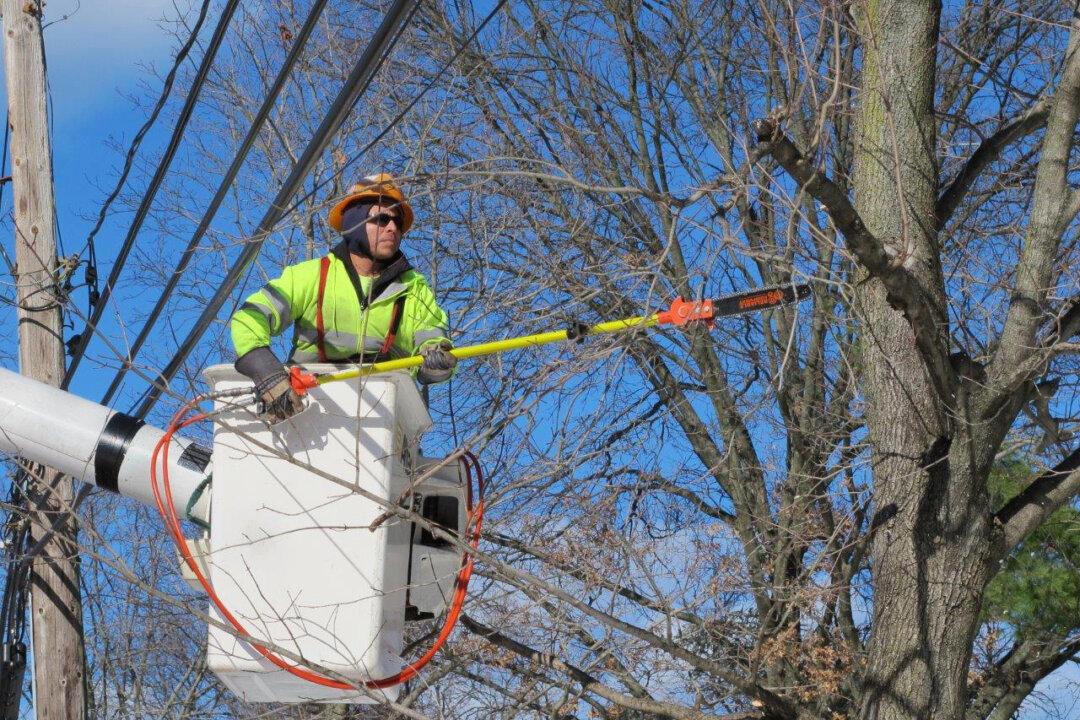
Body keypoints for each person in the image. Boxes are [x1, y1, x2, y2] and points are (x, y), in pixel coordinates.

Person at [230, 174, 456, 423]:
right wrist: (266, 371)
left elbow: (434, 342)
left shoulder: (413, 290)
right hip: (308, 413)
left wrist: (438, 361)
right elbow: (249, 318)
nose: (393, 228)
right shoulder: (312, 276)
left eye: (397, 222)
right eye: (381, 218)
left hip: (383, 420)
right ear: (356, 223)